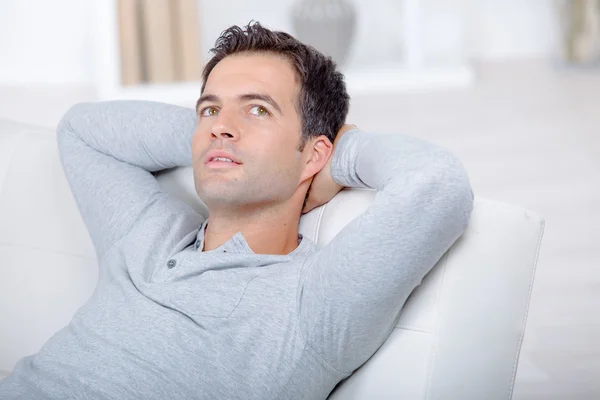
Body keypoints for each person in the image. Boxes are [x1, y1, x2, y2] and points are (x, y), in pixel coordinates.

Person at [0, 21, 474, 400]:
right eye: (210, 109)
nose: (221, 126)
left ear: (313, 154)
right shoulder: (146, 235)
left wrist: (338, 156)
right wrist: (218, 133)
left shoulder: (314, 303)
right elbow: (83, 129)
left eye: (258, 110)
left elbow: (435, 183)